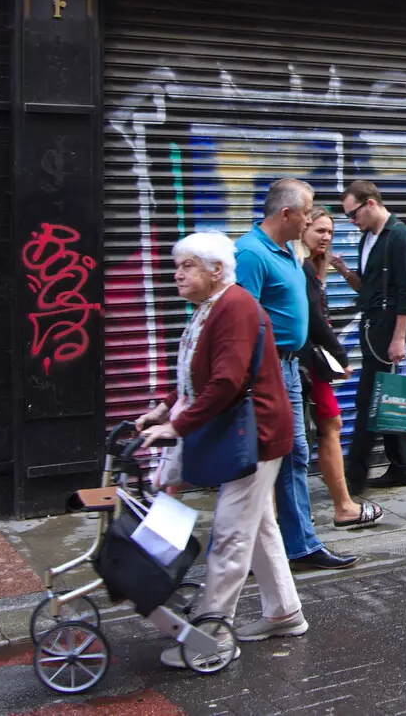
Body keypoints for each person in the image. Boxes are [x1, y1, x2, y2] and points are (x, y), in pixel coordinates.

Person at [136, 231, 308, 661]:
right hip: (245, 434)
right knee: (259, 527)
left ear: (216, 271)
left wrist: (179, 425)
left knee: (231, 535)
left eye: (187, 265)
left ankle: (211, 640)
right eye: (177, 265)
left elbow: (228, 381)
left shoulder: (234, 307)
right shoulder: (211, 308)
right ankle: (284, 612)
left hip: (256, 437)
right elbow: (199, 376)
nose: (177, 274)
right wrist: (165, 408)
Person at [234, 178, 357, 571]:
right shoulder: (251, 254)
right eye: (306, 212)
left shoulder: (286, 250)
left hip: (289, 366)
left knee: (294, 455)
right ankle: (259, 549)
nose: (309, 219)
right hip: (268, 371)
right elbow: (242, 321)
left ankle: (298, 545)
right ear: (286, 213)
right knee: (267, 461)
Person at [297, 207, 384, 528]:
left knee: (325, 426)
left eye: (330, 232)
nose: (326, 237)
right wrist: (340, 356)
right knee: (329, 424)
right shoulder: (302, 268)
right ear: (303, 229)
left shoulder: (313, 268)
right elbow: (314, 320)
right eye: (319, 230)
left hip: (312, 363)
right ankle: (343, 506)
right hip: (308, 364)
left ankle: (311, 507)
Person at [334, 180, 406, 497]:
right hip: (371, 327)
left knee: (368, 399)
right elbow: (367, 289)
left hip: (388, 331)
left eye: (353, 213)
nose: (351, 221)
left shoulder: (400, 237)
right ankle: (402, 467)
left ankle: (354, 477)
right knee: (384, 397)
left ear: (370, 204)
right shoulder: (367, 239)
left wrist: (399, 339)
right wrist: (344, 271)